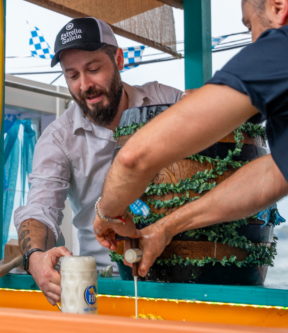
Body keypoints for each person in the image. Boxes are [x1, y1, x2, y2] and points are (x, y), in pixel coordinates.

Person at [92, 0, 288, 291]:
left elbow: (134, 157)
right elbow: (269, 176)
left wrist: (106, 215)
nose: (254, 41)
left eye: (250, 25)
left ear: (278, 5)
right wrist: (167, 226)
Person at [13, 17, 183, 306]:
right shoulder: (58, 138)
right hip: (104, 285)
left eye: (93, 69)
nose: (85, 85)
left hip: (184, 271)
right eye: (72, 75)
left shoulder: (165, 100)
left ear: (118, 58)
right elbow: (40, 208)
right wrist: (36, 257)